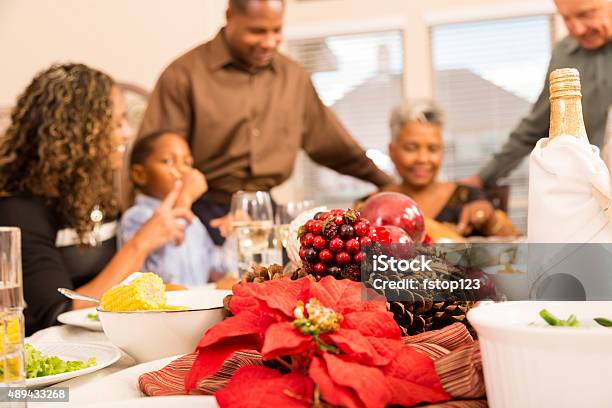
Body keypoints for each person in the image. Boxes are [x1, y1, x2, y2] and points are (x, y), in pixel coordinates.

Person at [138, 0, 393, 244]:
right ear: (230, 17)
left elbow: (335, 146)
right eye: (257, 31)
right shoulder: (183, 75)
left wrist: (388, 184)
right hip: (201, 214)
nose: (269, 42)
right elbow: (151, 161)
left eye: (276, 30)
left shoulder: (293, 77)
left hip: (267, 214)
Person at [0, 64, 205, 335]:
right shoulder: (19, 208)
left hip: (107, 334)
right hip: (57, 346)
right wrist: (141, 243)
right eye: (117, 122)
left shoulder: (93, 192)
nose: (128, 133)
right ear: (79, 131)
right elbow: (60, 314)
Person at [465, 0, 612, 188]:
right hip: (587, 193)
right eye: (566, 18)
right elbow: (535, 126)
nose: (577, 29)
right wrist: (482, 178)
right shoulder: (563, 55)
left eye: (586, 14)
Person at [384, 100, 517, 237]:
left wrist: (491, 222)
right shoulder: (372, 206)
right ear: (392, 151)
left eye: (433, 149)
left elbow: (517, 249)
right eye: (411, 148)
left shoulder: (470, 197)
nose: (423, 159)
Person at [120, 131, 235, 285]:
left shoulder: (193, 222)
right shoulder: (136, 217)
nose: (182, 171)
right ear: (140, 174)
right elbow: (169, 277)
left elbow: (220, 270)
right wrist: (184, 200)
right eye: (168, 161)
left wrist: (235, 236)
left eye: (187, 163)